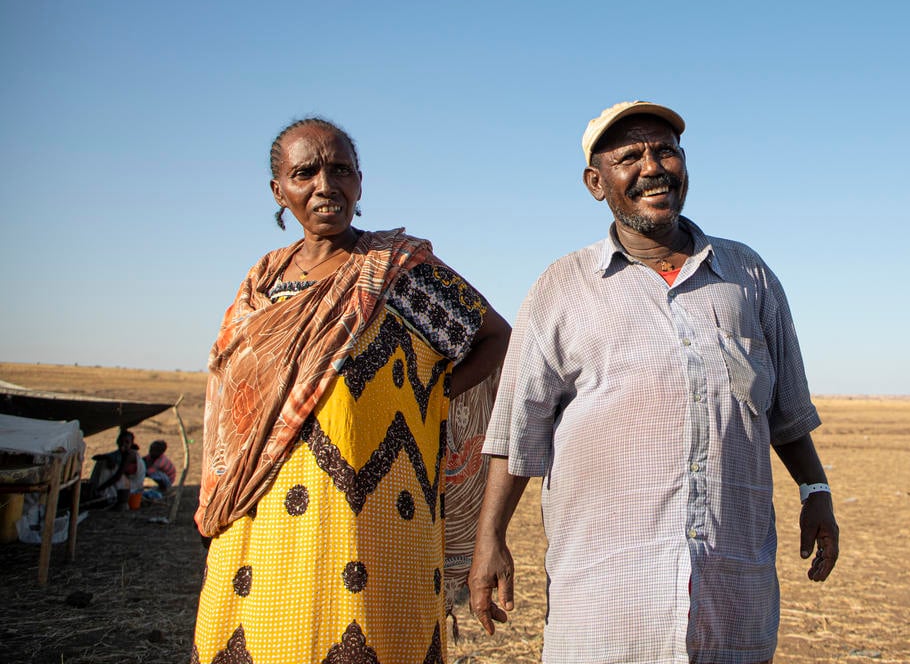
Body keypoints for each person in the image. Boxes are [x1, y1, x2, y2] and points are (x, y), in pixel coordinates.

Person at [468, 101, 839, 664]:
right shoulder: (561, 288)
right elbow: (519, 427)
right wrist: (490, 538)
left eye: (666, 151)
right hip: (607, 599)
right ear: (596, 183)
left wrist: (816, 492)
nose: (653, 167)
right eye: (630, 157)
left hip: (731, 589)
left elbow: (784, 411)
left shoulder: (748, 276)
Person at [192, 117, 510, 664]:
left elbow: (495, 337)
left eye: (340, 170)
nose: (325, 185)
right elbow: (230, 399)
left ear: (359, 183)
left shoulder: (397, 272)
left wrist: (429, 395)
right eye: (305, 173)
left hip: (375, 517)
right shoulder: (261, 283)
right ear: (279, 191)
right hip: (259, 515)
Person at [84, 429, 144, 510]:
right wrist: (108, 458)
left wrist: (101, 488)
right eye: (121, 441)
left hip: (133, 486)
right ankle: (96, 491)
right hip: (126, 481)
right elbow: (96, 457)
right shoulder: (121, 453)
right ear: (117, 442)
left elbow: (117, 476)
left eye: (127, 442)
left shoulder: (130, 454)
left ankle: (100, 493)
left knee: (104, 465)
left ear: (131, 443)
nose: (123, 444)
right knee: (102, 462)